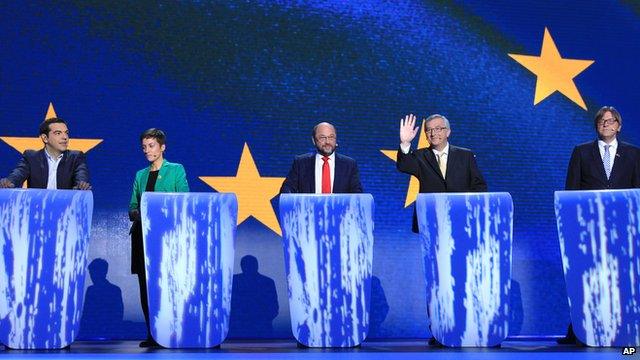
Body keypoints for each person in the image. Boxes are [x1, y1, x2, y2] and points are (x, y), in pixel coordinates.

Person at [559, 106, 640, 345]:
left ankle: (623, 327)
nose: (606, 124)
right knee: (586, 277)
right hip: (588, 229)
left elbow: (637, 193)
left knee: (621, 278)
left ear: (619, 125)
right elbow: (571, 192)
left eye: (611, 120)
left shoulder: (634, 154)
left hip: (622, 230)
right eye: (602, 121)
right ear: (596, 126)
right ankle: (580, 329)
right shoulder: (582, 152)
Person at [128, 128, 189, 348]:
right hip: (142, 238)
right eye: (144, 147)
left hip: (167, 238)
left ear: (162, 147)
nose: (147, 150)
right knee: (146, 287)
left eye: (151, 146)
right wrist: (142, 212)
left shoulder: (176, 170)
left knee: (168, 284)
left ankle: (172, 331)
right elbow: (132, 208)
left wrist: (156, 210)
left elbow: (183, 200)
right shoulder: (140, 175)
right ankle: (152, 333)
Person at [397, 113, 487, 232]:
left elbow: (479, 186)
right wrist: (405, 143)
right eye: (429, 130)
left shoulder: (465, 155)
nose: (433, 133)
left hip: (462, 218)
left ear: (448, 132)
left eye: (438, 129)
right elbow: (404, 166)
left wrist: (471, 208)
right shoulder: (419, 156)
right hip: (431, 219)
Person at [0, 117, 91, 190]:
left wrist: (81, 185)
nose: (65, 137)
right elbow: (18, 174)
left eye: (66, 133)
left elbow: (81, 176)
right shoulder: (31, 157)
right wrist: (9, 182)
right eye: (58, 133)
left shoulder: (76, 157)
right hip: (37, 209)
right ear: (45, 138)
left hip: (65, 209)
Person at [280, 122, 363, 194]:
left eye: (331, 137)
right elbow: (287, 190)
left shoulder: (349, 165)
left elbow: (357, 194)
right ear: (314, 140)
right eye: (322, 137)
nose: (327, 142)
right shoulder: (301, 163)